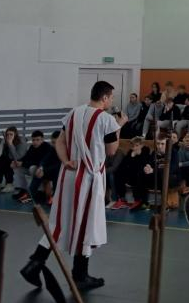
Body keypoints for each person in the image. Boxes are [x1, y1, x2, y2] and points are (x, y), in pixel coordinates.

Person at [20, 81, 128, 292]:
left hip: (68, 175)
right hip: (88, 178)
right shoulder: (106, 119)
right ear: (104, 98)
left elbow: (60, 142)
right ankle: (79, 275)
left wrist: (66, 161)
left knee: (59, 222)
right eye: (111, 97)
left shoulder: (73, 113)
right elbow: (111, 151)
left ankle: (34, 264)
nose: (112, 101)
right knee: (86, 223)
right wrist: (120, 125)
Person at [111, 136, 151, 209]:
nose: (134, 147)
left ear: (142, 145)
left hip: (141, 175)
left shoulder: (145, 151)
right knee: (118, 173)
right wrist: (131, 157)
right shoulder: (130, 152)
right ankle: (122, 199)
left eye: (137, 145)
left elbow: (143, 166)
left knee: (139, 174)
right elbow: (124, 165)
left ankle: (138, 200)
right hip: (130, 174)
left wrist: (137, 155)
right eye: (133, 145)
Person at [13, 130, 47, 202]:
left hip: (43, 170)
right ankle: (22, 189)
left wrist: (22, 163)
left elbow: (38, 162)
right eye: (33, 140)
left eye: (37, 140)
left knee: (33, 168)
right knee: (18, 168)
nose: (35, 142)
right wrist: (17, 162)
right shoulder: (32, 147)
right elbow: (26, 157)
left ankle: (40, 191)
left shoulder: (46, 147)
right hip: (34, 167)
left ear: (42, 139)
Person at [0, 126, 27, 194]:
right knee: (0, 160)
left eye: (11, 134)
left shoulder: (22, 142)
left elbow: (17, 157)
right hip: (12, 159)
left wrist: (10, 144)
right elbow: (6, 154)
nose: (9, 136)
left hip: (21, 160)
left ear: (15, 134)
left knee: (8, 162)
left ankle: (10, 184)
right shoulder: (7, 141)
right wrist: (6, 144)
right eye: (7, 134)